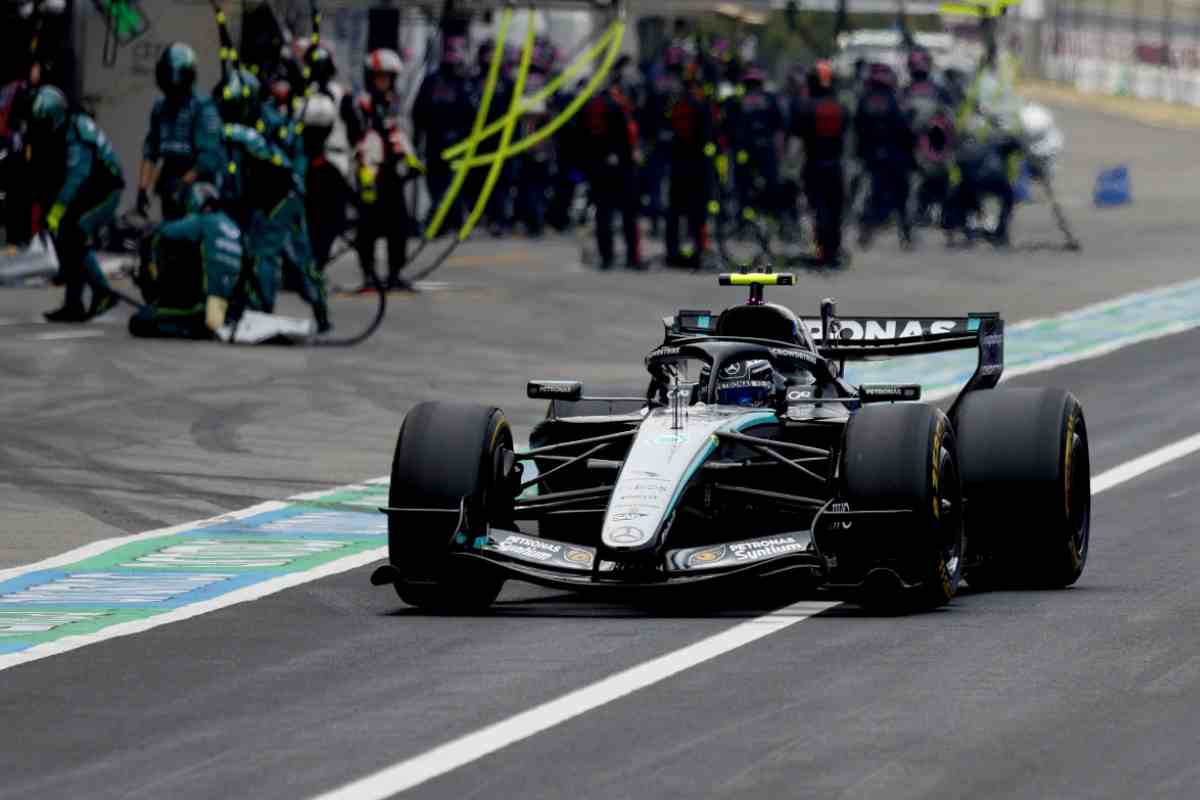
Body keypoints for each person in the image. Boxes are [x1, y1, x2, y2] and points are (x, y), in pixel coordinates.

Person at [214, 69, 330, 332]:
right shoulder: (230, 128)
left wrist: (245, 137)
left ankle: (265, 310)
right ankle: (242, 306)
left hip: (282, 196)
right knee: (249, 251)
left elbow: (283, 161)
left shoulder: (272, 123)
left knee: (279, 256)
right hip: (258, 198)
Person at [30, 86, 123, 321]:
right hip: (89, 189)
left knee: (74, 234)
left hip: (106, 190)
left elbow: (77, 177)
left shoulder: (76, 132)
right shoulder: (64, 130)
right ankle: (73, 304)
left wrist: (57, 211)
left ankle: (103, 292)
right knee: (66, 235)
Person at [129, 182, 242, 338]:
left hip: (202, 306)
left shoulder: (201, 220)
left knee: (139, 321)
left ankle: (179, 315)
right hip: (229, 305)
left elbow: (165, 231)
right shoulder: (233, 227)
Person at [348, 48, 415, 290]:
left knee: (399, 224)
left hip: (393, 174)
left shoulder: (396, 106)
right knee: (367, 226)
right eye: (379, 77)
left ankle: (395, 273)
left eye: (387, 77)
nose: (383, 82)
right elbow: (358, 137)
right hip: (370, 174)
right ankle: (368, 274)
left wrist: (411, 163)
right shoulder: (360, 103)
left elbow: (403, 136)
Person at [138, 43, 222, 221]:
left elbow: (208, 158)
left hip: (197, 182)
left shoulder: (202, 107)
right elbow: (151, 149)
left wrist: (183, 185)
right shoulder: (160, 107)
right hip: (170, 178)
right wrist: (143, 188)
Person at [412, 36, 476, 231]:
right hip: (435, 142)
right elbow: (419, 112)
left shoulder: (465, 83)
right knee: (435, 184)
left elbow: (472, 115)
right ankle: (441, 221)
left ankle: (449, 220)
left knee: (452, 186)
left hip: (458, 144)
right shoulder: (432, 81)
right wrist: (417, 140)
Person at [582, 65, 641, 270]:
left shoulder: (593, 104)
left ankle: (607, 257)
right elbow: (626, 137)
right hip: (622, 168)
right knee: (628, 214)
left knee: (603, 214)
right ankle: (632, 257)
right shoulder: (618, 106)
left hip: (598, 166)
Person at [791, 60, 849, 266]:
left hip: (813, 164)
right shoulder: (841, 107)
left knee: (819, 209)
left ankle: (824, 251)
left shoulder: (806, 108)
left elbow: (797, 132)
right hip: (835, 164)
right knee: (835, 210)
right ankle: (833, 251)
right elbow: (845, 134)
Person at [855, 62, 914, 248]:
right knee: (900, 196)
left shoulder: (864, 100)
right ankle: (905, 235)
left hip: (872, 154)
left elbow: (858, 129)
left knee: (874, 195)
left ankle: (866, 232)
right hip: (894, 154)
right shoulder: (895, 100)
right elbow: (904, 129)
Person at [663, 61, 714, 268]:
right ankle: (698, 251)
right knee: (697, 211)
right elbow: (708, 133)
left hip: (678, 163)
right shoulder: (701, 103)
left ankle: (673, 251)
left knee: (675, 211)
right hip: (697, 164)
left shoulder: (675, 103)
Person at [726, 64, 785, 220]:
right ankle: (744, 217)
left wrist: (778, 150)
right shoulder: (737, 101)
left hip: (765, 148)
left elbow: (778, 127)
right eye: (750, 84)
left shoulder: (769, 100)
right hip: (745, 150)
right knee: (742, 184)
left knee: (772, 183)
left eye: (755, 83)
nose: (753, 87)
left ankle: (772, 215)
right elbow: (730, 127)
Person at [903, 49, 955, 225]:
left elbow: (950, 119)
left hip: (934, 145)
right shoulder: (907, 91)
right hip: (919, 146)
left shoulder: (936, 91)